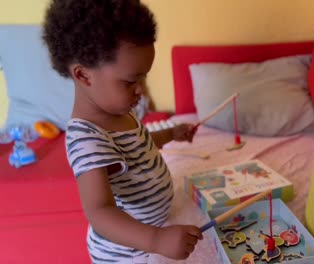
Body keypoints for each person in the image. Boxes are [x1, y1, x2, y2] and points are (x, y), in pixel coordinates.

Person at [42, 1, 202, 263]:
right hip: (126, 254)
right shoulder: (87, 140)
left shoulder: (118, 111)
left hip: (153, 232)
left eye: (143, 78)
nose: (140, 89)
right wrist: (156, 239)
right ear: (84, 75)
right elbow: (100, 211)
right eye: (131, 80)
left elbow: (141, 145)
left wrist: (172, 133)